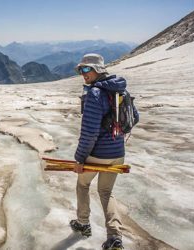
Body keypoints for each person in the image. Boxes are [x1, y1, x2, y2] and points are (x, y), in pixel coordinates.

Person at [70, 53, 136, 250]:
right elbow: (135, 117)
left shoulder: (94, 94)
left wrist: (80, 159)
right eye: (81, 70)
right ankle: (114, 237)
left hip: (97, 154)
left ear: (97, 69)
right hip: (117, 153)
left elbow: (89, 132)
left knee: (83, 185)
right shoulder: (121, 91)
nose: (83, 73)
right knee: (106, 191)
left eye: (86, 69)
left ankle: (83, 224)